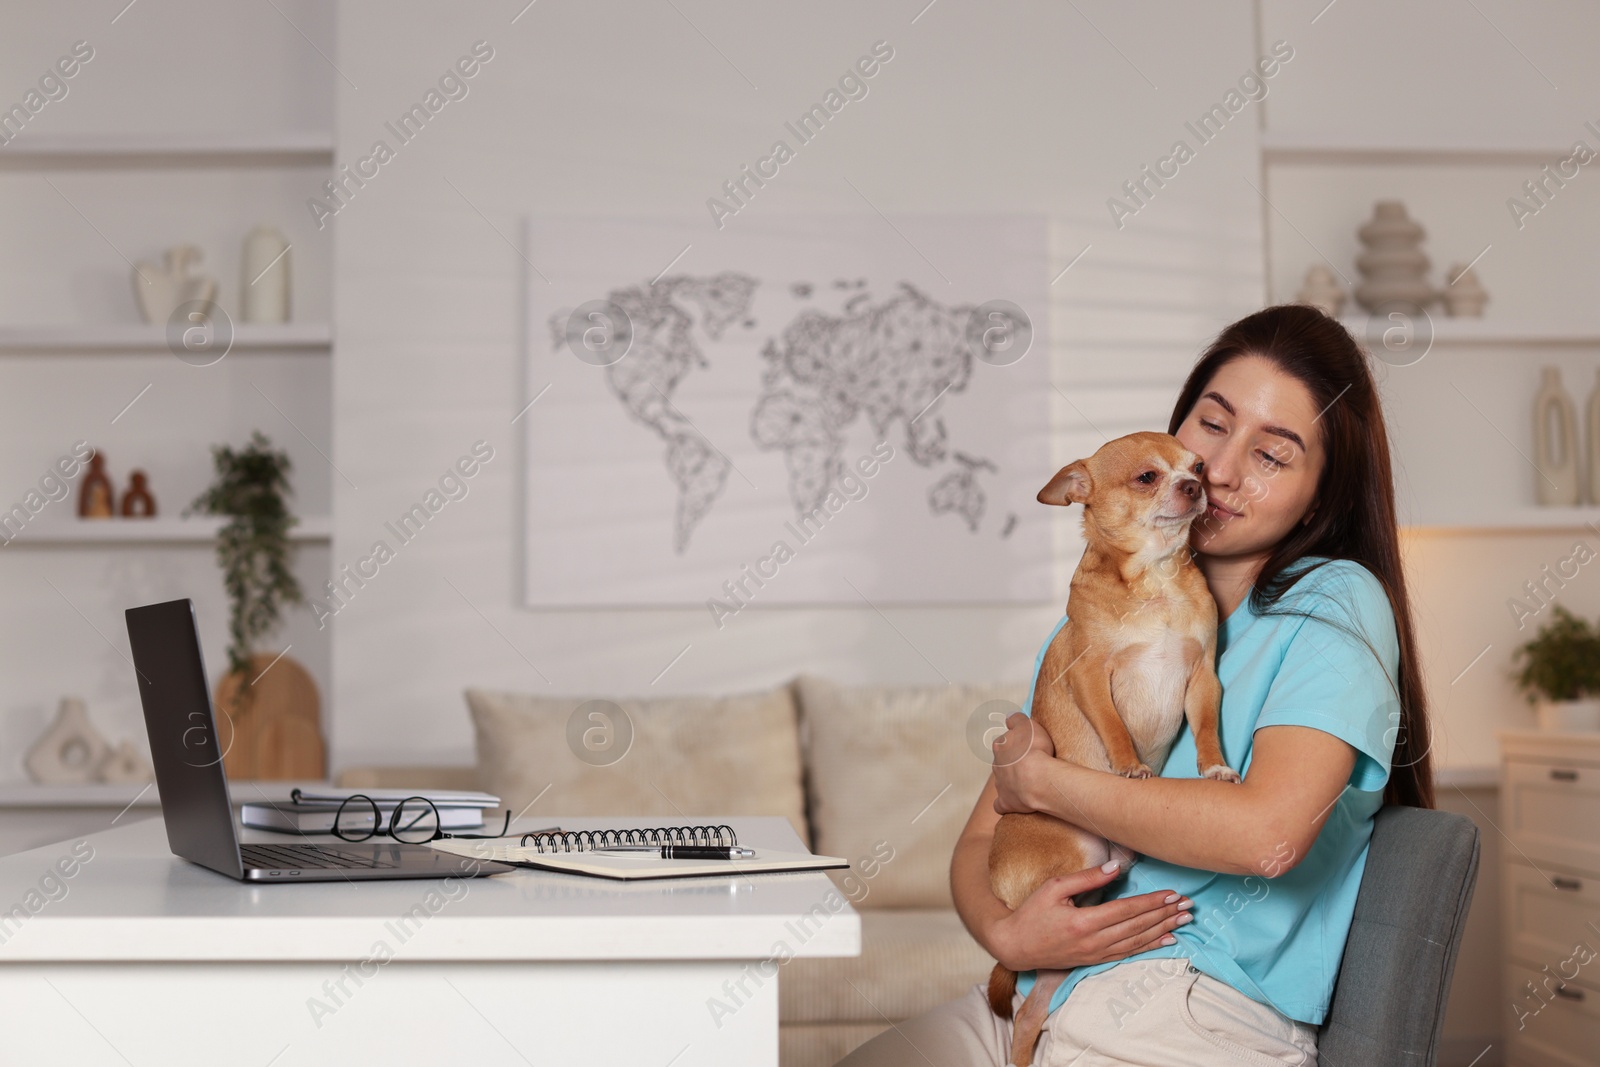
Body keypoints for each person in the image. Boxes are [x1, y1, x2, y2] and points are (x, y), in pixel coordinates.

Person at [837, 304, 1434, 1066]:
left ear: (1320, 497)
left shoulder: (1331, 601)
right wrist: (1005, 930)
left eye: (1272, 456)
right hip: (1044, 994)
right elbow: (986, 836)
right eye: (1212, 425)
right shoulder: (1097, 613)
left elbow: (1268, 834)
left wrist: (1046, 782)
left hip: (1188, 1006)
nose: (1219, 471)